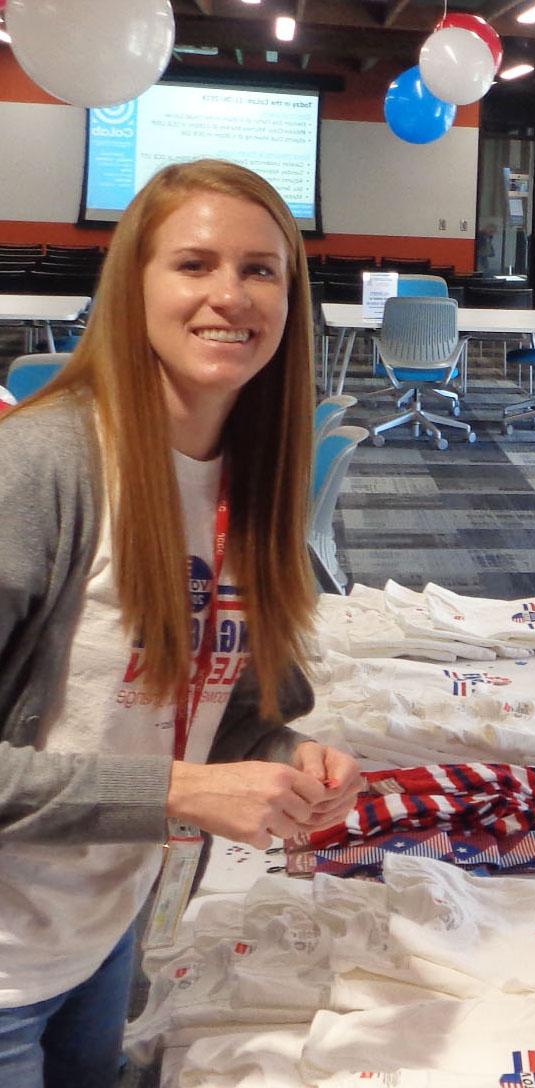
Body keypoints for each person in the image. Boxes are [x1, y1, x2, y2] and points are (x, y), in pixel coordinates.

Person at [0, 159, 361, 1085]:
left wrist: (280, 755)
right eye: (194, 264)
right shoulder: (41, 467)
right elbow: (168, 773)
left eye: (260, 270)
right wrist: (179, 793)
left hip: (103, 934)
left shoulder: (251, 477)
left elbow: (212, 713)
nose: (229, 296)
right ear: (136, 285)